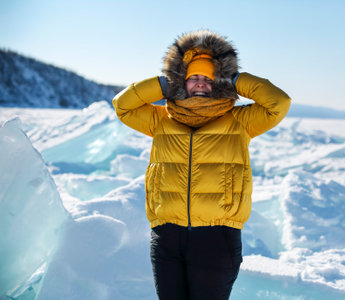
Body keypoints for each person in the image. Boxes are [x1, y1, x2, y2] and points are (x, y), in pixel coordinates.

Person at [112, 30, 290, 300]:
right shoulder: (161, 120)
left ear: (216, 83)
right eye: (193, 76)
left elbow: (279, 103)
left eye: (208, 78)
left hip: (218, 236)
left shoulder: (240, 121)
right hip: (166, 234)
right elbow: (122, 106)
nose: (200, 83)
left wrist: (235, 79)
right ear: (181, 81)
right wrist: (162, 84)